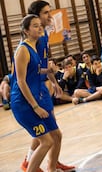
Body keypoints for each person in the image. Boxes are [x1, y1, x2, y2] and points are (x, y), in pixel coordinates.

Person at [21, 0, 74, 172]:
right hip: (32, 89)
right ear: (36, 16)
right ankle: (29, 162)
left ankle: (52, 162)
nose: (50, 16)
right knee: (46, 132)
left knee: (51, 129)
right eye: (46, 12)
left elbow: (44, 64)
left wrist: (54, 82)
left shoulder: (44, 35)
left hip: (41, 86)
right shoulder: (30, 41)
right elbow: (32, 70)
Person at [11, 15, 62, 172]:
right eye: (35, 26)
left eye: (40, 25)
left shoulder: (35, 48)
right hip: (24, 104)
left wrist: (50, 71)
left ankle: (51, 168)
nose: (40, 28)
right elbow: (21, 81)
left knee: (56, 135)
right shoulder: (22, 50)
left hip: (36, 99)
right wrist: (35, 106)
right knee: (46, 141)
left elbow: (36, 71)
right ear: (26, 31)